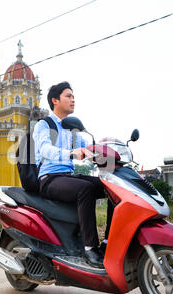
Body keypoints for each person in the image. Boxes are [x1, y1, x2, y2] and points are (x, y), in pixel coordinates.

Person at [33, 81, 112, 268]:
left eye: (73, 96)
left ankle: (109, 243)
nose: (73, 99)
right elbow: (44, 149)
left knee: (111, 186)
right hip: (49, 179)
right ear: (55, 100)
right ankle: (90, 248)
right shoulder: (44, 125)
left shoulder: (69, 128)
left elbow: (83, 149)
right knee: (85, 189)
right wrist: (70, 153)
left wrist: (100, 154)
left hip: (67, 177)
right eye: (68, 96)